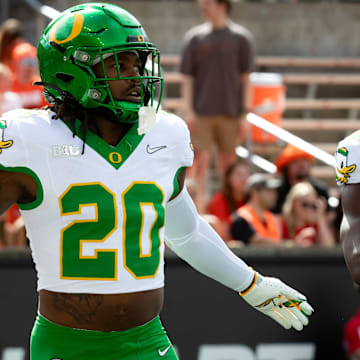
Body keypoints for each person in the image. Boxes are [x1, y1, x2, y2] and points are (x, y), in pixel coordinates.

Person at [0, 4, 313, 359]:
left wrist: (250, 284)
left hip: (147, 342)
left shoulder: (164, 134)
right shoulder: (28, 139)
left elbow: (187, 232)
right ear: (74, 69)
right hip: (66, 345)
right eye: (121, 63)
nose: (137, 76)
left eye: (139, 63)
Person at [180, 0, 255, 212]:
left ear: (222, 4)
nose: (203, 7)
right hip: (202, 112)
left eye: (207, 3)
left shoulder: (241, 38)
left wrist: (244, 114)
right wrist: (189, 110)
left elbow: (246, 78)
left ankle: (227, 213)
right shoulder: (195, 38)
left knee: (228, 165)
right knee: (199, 165)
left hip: (231, 112)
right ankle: (199, 212)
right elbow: (187, 77)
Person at [0, 18, 46, 109]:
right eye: (25, 62)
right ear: (14, 63)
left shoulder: (42, 88)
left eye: (33, 62)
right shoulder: (6, 85)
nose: (30, 67)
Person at [273, 143, 330, 214]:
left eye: (305, 161)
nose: (301, 165)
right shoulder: (278, 192)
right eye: (295, 161)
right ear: (286, 167)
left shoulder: (321, 191)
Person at [231, 173, 283, 246]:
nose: (275, 195)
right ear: (255, 193)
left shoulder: (273, 218)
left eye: (275, 191)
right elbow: (257, 242)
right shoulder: (241, 218)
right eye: (269, 191)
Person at [281, 182, 336, 247]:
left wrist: (320, 216)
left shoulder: (315, 225)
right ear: (293, 203)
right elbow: (275, 244)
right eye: (305, 204)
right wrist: (295, 243)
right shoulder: (282, 223)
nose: (309, 209)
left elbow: (329, 246)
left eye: (313, 205)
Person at [208, 158, 251, 240]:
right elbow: (223, 234)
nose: (244, 179)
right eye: (239, 174)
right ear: (228, 178)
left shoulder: (253, 200)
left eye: (247, 174)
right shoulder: (219, 200)